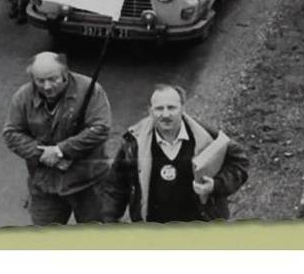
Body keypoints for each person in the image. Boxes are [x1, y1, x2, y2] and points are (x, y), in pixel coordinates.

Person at [101, 84, 248, 224]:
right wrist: (109, 221)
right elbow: (115, 187)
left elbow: (239, 162)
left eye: (171, 107)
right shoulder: (134, 144)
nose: (165, 114)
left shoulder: (207, 136)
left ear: (183, 108)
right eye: (159, 108)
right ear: (150, 110)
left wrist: (216, 185)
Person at [2, 52, 112, 226]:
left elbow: (100, 128)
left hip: (88, 184)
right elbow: (11, 133)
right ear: (32, 78)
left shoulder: (91, 90)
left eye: (53, 79)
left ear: (65, 74)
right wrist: (42, 154)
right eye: (40, 81)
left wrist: (61, 150)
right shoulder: (22, 97)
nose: (46, 87)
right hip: (45, 185)